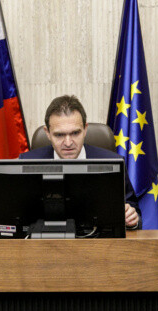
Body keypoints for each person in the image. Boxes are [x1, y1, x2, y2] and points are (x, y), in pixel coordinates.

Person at [20, 95, 141, 228]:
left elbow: (135, 213)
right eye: (59, 135)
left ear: (85, 129)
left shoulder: (113, 162)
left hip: (98, 244)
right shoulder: (26, 163)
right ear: (47, 133)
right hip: (45, 243)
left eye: (75, 133)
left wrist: (132, 219)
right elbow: (18, 214)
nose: (68, 143)